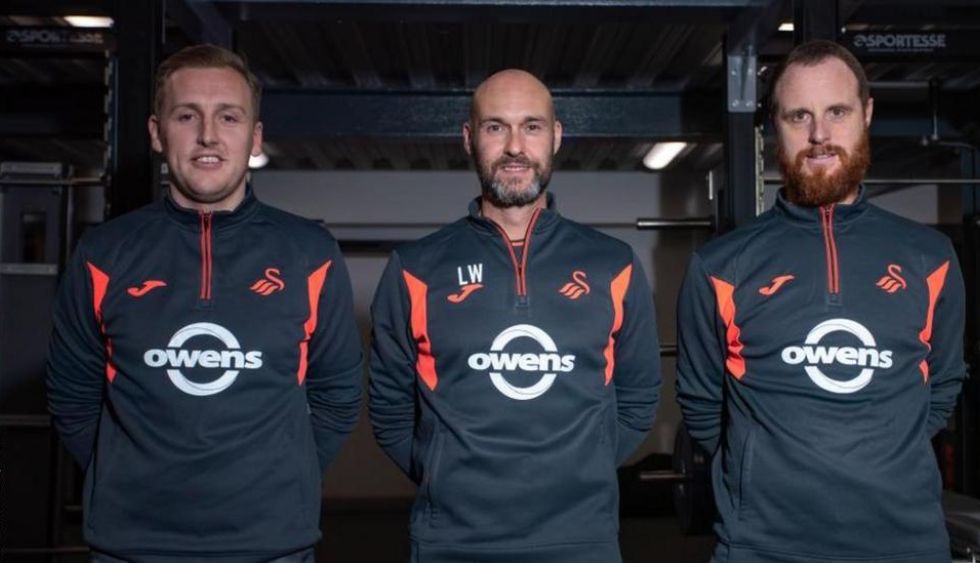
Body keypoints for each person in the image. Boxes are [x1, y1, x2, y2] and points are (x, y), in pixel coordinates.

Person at [46, 44, 363, 562]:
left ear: (254, 137)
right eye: (187, 115)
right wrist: (126, 476)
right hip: (131, 547)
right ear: (155, 132)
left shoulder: (309, 252)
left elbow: (338, 397)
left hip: (272, 547)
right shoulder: (103, 254)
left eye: (229, 117)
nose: (209, 135)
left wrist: (281, 478)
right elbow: (71, 397)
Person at [677, 40, 966, 563]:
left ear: (867, 113)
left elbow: (941, 386)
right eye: (798, 116)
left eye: (837, 112)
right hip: (762, 549)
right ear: (774, 126)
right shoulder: (721, 266)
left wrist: (882, 458)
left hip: (904, 546)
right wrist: (760, 476)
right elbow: (702, 406)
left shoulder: (931, 257)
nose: (819, 135)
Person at [368, 69, 662, 563]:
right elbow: (390, 410)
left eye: (531, 126)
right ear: (468, 139)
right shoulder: (415, 269)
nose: (514, 146)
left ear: (556, 136)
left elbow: (638, 398)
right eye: (495, 127)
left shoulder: (612, 264)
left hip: (582, 541)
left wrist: (584, 466)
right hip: (453, 545)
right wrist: (446, 475)